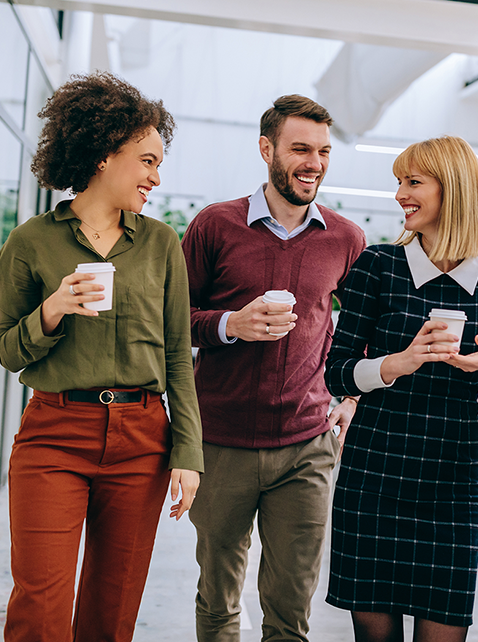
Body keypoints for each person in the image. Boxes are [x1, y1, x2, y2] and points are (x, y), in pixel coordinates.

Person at [0, 71, 203, 642]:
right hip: (55, 433)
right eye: (147, 161)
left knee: (112, 616)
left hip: (142, 439)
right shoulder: (32, 241)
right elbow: (9, 351)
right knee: (39, 607)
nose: (156, 177)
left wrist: (188, 452)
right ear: (105, 156)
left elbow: (178, 356)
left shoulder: (161, 243)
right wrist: (53, 309)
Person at [325, 135, 478, 642]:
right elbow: (337, 371)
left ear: (453, 189)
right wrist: (397, 363)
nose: (400, 194)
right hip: (374, 469)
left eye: (413, 182)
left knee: (445, 628)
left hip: (452, 475)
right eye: (399, 181)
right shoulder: (378, 266)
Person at [182, 94, 366, 642]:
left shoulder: (346, 238)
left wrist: (351, 397)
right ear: (267, 150)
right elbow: (174, 321)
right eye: (300, 149)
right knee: (218, 595)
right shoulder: (215, 225)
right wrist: (229, 325)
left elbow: (360, 332)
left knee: (291, 608)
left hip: (305, 444)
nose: (314, 163)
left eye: (324, 151)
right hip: (220, 442)